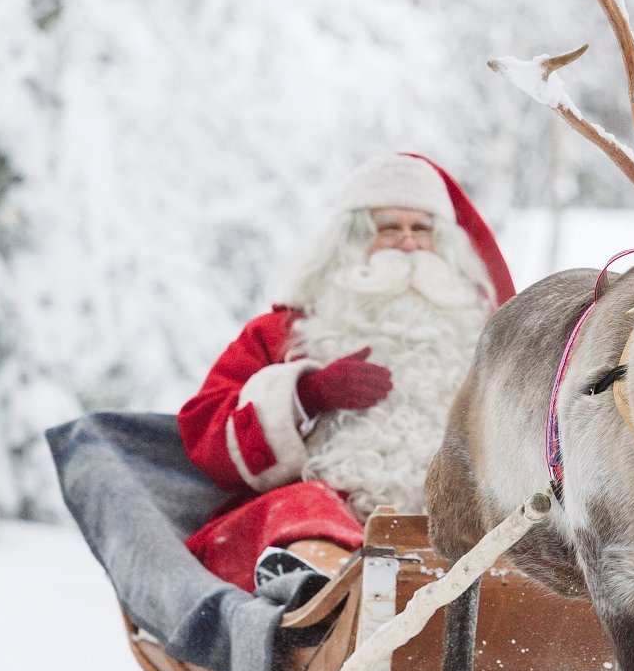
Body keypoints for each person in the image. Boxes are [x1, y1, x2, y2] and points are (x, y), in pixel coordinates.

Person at [177, 153, 514, 591]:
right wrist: (307, 396)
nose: (409, 244)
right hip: (319, 519)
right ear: (351, 240)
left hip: (455, 534)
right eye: (389, 228)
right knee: (301, 510)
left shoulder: (485, 341)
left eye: (422, 229)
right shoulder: (282, 333)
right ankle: (319, 588)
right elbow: (203, 432)